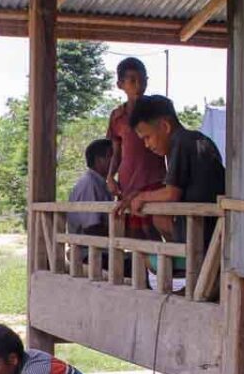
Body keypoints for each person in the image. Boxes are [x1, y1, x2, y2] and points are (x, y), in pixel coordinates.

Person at [116, 95, 225, 246]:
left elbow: (171, 193)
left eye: (147, 137)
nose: (146, 145)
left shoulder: (180, 142)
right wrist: (139, 194)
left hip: (201, 232)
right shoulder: (198, 140)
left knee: (153, 233)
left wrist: (141, 198)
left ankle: (184, 259)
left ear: (165, 126)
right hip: (213, 229)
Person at [106, 58, 169, 240]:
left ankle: (167, 269)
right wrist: (110, 176)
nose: (139, 85)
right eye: (132, 80)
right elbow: (116, 151)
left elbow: (170, 144)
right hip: (127, 183)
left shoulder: (157, 108)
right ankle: (142, 269)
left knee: (154, 230)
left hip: (154, 181)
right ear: (120, 84)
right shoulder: (117, 116)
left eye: (143, 80)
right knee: (133, 235)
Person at [67, 138, 113, 265]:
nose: (116, 161)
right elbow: (91, 228)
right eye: (111, 156)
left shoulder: (100, 183)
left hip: (98, 250)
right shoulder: (89, 184)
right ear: (99, 160)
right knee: (133, 265)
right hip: (89, 253)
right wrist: (121, 232)